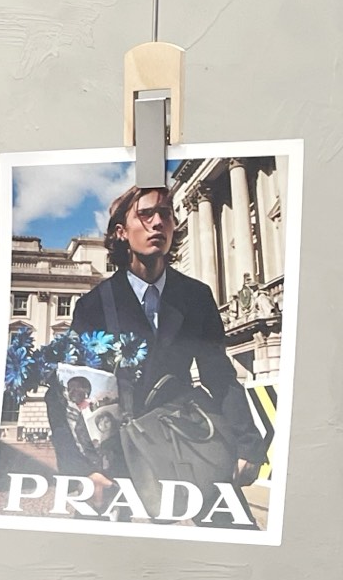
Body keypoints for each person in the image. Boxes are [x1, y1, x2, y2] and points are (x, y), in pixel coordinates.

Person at [46, 184, 268, 512]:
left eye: (165, 214)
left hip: (187, 440)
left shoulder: (196, 296)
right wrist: (81, 471)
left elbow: (219, 375)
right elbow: (64, 392)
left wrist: (248, 445)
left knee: (231, 532)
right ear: (121, 232)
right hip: (118, 458)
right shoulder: (94, 305)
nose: (158, 222)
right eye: (145, 214)